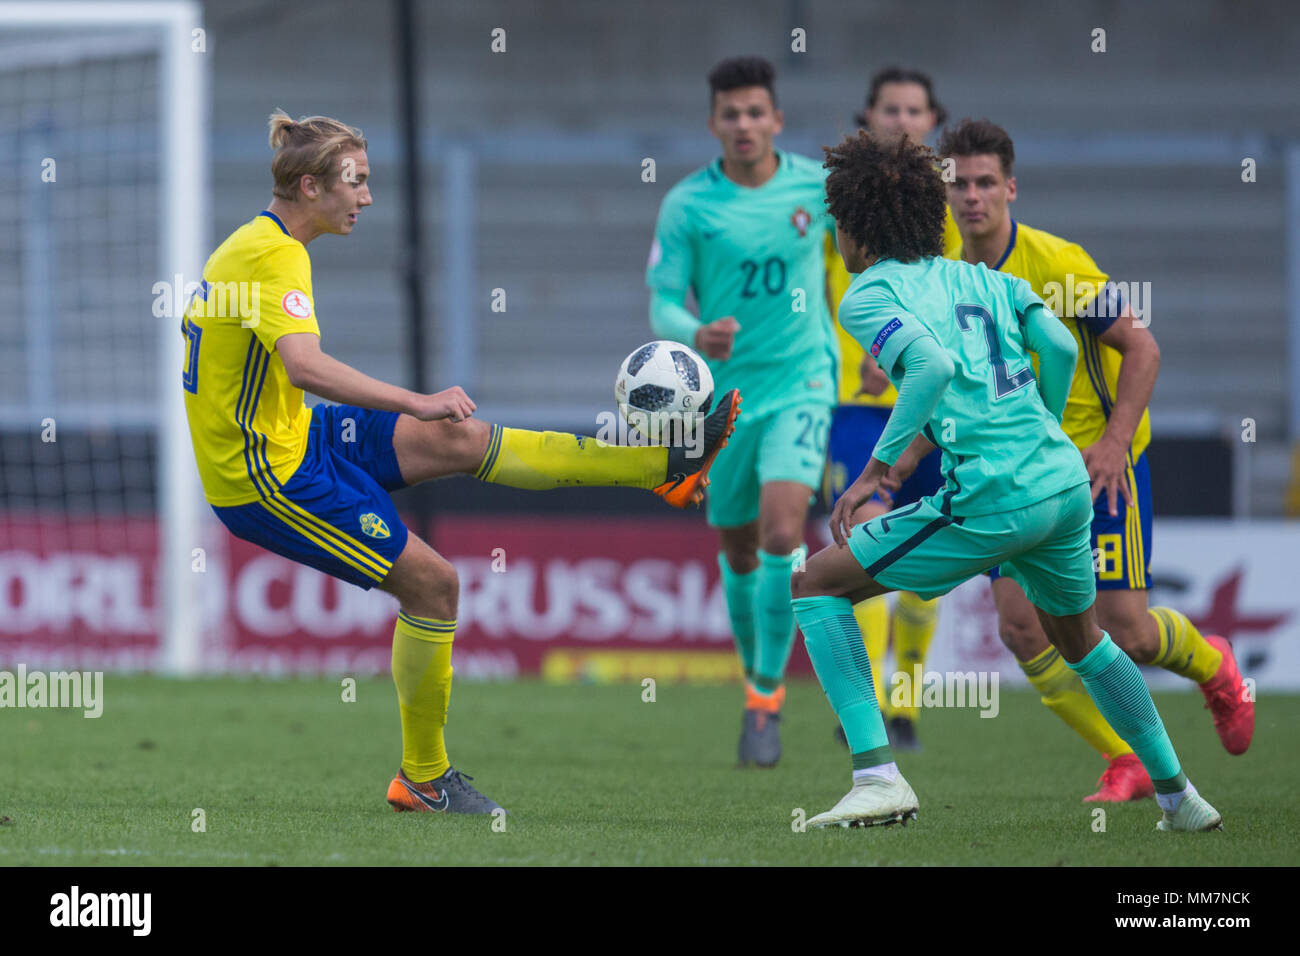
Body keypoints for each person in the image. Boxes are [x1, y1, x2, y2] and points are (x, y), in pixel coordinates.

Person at [181, 111, 740, 815]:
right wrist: (414, 400)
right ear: (307, 184)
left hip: (296, 436)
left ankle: (662, 466)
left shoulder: (259, 245)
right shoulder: (274, 255)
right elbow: (304, 367)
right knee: (435, 587)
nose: (367, 196)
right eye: (355, 181)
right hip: (263, 477)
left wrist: (416, 413)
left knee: (461, 439)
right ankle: (423, 778)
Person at [790, 130, 1222, 833]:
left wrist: (876, 468)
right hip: (1060, 486)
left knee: (815, 583)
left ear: (853, 228)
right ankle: (1180, 797)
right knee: (1082, 640)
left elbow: (926, 368)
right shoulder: (987, 278)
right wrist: (1043, 427)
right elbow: (1054, 344)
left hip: (991, 498)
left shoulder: (867, 295)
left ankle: (876, 776)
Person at [938, 118, 1253, 801]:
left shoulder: (1058, 264)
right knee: (1021, 628)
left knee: (1130, 633)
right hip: (1013, 478)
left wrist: (1113, 443)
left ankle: (1215, 666)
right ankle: (1126, 756)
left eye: (985, 182)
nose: (972, 197)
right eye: (958, 184)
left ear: (1010, 188)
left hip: (1093, 469)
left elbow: (1144, 349)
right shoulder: (944, 279)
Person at [647, 56, 838, 767]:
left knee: (784, 530)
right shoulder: (687, 205)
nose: (745, 124)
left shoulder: (815, 190)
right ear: (713, 124)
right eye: (731, 114)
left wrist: (876, 343)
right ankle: (752, 679)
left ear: (777, 120)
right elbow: (662, 298)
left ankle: (765, 699)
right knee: (736, 545)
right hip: (720, 398)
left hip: (803, 383)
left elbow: (857, 260)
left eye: (757, 112)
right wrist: (691, 332)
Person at [824, 67, 960, 751]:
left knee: (922, 573)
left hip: (934, 406)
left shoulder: (949, 211)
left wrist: (906, 348)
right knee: (868, 539)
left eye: (915, 110)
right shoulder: (841, 206)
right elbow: (825, 286)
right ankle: (872, 706)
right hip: (856, 405)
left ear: (934, 122)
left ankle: (905, 696)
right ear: (868, 116)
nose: (904, 121)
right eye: (891, 109)